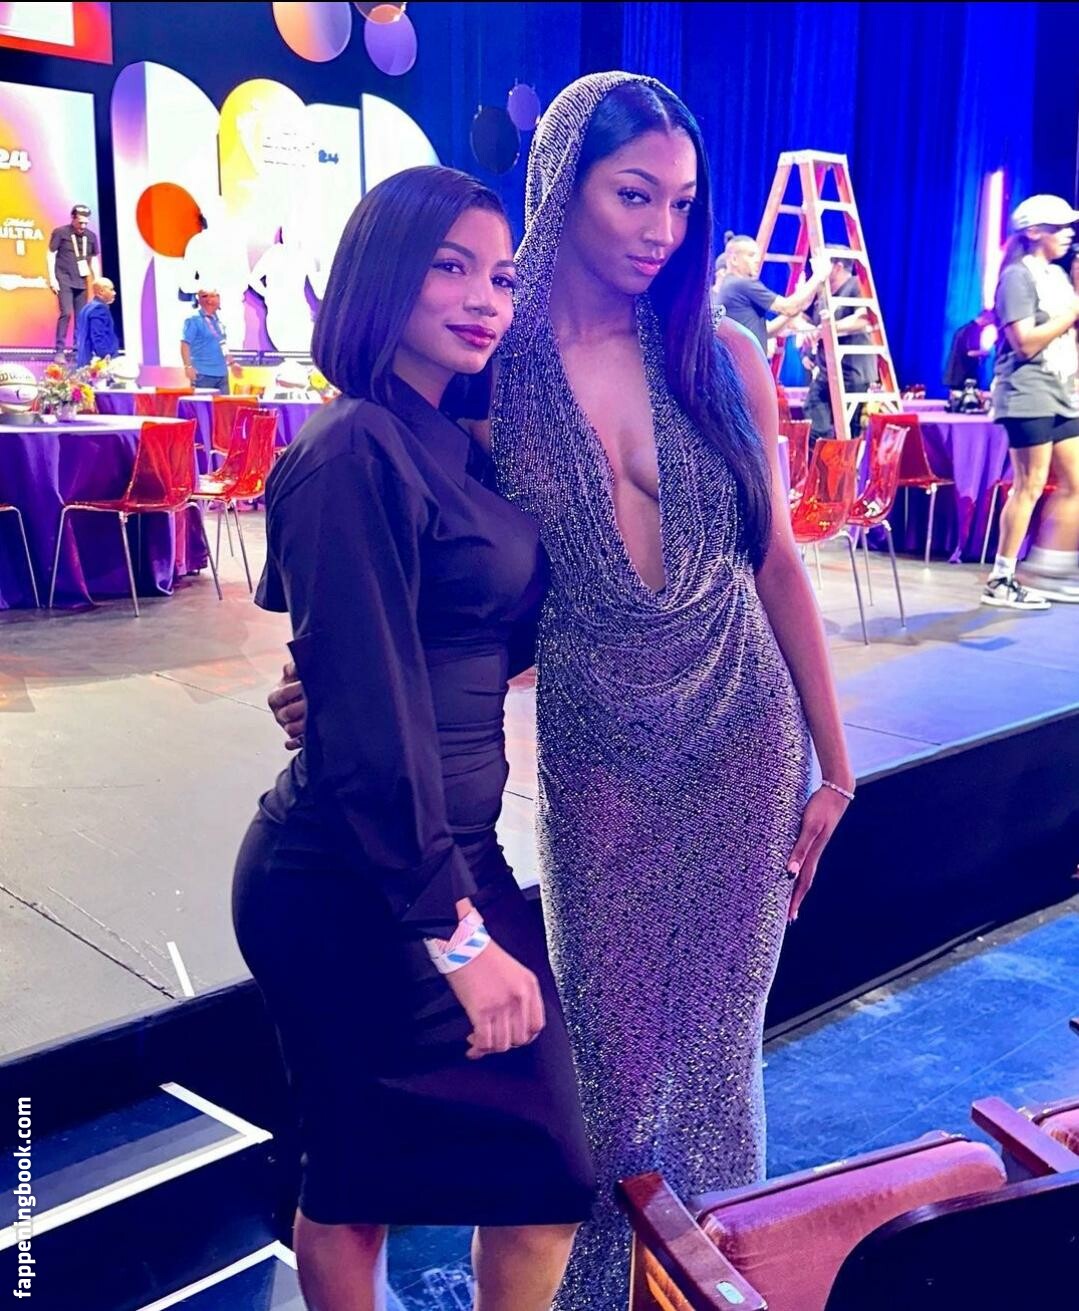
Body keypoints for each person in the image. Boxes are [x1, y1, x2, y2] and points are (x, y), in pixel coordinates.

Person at [269, 73, 852, 1311]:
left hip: (745, 740)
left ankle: (702, 1288)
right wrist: (355, 671)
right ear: (561, 187)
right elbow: (456, 569)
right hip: (599, 754)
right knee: (607, 1078)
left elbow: (776, 564)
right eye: (632, 195)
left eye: (680, 204)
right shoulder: (492, 371)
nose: (659, 230)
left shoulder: (719, 356)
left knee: (717, 1062)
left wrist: (834, 763)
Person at [233, 166, 595, 1311]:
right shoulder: (352, 448)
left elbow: (451, 643)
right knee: (359, 1178)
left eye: (501, 276)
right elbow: (370, 728)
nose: (484, 298)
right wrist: (453, 933)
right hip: (354, 878)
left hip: (442, 851)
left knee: (535, 1176)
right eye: (449, 267)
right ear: (382, 275)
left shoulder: (447, 442)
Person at [983, 194, 1079, 608]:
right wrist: (1071, 313)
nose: (1068, 234)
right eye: (1059, 227)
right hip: (1027, 392)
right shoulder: (1017, 277)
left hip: (1061, 391)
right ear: (1034, 232)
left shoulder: (1055, 276)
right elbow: (1023, 342)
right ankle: (1002, 579)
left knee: (1076, 483)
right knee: (1030, 485)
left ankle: (1050, 568)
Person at [802, 253, 876, 442]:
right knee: (814, 417)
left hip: (852, 370)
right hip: (827, 371)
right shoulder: (824, 294)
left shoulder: (856, 285)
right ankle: (824, 455)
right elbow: (808, 321)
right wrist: (807, 349)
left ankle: (842, 458)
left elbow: (863, 319)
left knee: (849, 430)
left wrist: (827, 329)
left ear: (838, 266)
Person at [717, 230, 825, 353]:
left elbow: (767, 332)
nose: (757, 260)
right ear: (734, 259)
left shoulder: (731, 286)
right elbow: (789, 307)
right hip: (744, 362)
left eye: (757, 255)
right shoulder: (741, 284)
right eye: (751, 255)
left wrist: (799, 305)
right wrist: (819, 275)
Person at [47, 204, 100, 361]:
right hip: (63, 279)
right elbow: (50, 254)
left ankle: (78, 350)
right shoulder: (60, 232)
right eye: (80, 222)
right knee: (66, 313)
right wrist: (52, 278)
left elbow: (94, 259)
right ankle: (59, 350)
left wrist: (97, 280)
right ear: (73, 219)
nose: (83, 226)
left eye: (86, 223)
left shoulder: (91, 236)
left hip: (81, 281)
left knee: (81, 316)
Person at [180, 288, 240, 393]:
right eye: (204, 296)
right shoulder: (193, 320)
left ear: (218, 299)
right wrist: (188, 366)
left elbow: (222, 343)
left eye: (212, 296)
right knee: (204, 404)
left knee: (224, 404)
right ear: (198, 300)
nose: (209, 300)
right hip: (203, 375)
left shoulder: (218, 321)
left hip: (222, 375)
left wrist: (232, 363)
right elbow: (185, 344)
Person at [75, 278, 119, 366]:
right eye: (111, 289)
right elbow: (97, 335)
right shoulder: (99, 309)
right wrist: (104, 355)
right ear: (101, 291)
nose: (114, 293)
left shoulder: (86, 308)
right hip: (99, 363)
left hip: (84, 360)